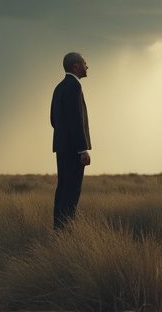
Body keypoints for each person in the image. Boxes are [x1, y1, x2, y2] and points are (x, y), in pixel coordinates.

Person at [50, 52, 92, 229]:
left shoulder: (59, 87)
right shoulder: (74, 87)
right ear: (76, 66)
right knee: (72, 191)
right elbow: (76, 121)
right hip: (73, 149)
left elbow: (54, 120)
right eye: (84, 63)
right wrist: (82, 150)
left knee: (62, 187)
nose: (87, 66)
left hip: (61, 146)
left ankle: (58, 228)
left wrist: (63, 137)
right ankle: (66, 230)